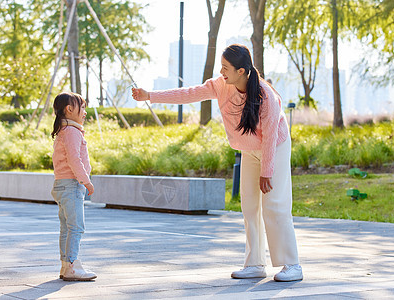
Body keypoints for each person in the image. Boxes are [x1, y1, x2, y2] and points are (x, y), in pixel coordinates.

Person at [132, 44, 303, 282]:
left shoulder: (266, 96)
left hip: (274, 148)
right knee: (249, 205)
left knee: (275, 205)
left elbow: (271, 136)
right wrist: (149, 96)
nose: (221, 71)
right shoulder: (222, 86)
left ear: (241, 71)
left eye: (226, 68)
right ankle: (255, 263)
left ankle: (291, 264)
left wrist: (267, 171)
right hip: (249, 150)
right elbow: (189, 94)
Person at [51, 92, 97, 281]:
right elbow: (74, 159)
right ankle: (72, 266)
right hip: (71, 185)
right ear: (69, 109)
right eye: (82, 107)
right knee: (76, 227)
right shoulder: (72, 132)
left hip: (61, 185)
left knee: (67, 228)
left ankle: (65, 266)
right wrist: (86, 181)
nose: (85, 112)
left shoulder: (64, 131)